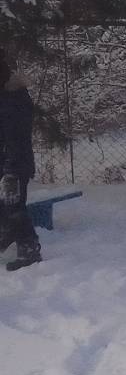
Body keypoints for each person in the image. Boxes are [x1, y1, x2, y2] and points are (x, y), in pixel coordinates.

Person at [0, 51, 40, 272]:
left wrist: (11, 170)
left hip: (14, 162)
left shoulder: (14, 98)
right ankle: (5, 235)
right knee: (5, 205)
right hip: (5, 159)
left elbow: (16, 137)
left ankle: (30, 249)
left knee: (14, 205)